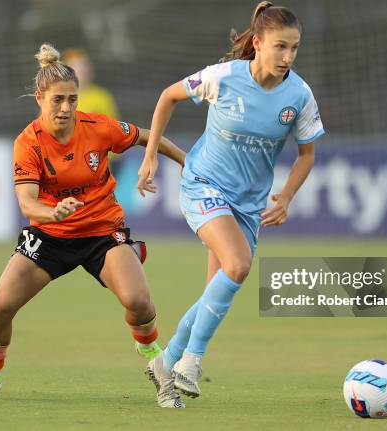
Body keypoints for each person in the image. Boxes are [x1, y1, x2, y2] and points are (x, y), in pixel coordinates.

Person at [0, 43, 187, 408]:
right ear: (39, 98)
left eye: (72, 99)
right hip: (49, 236)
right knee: (0, 309)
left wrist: (184, 162)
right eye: (57, 100)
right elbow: (26, 202)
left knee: (139, 302)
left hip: (102, 231)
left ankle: (152, 357)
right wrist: (53, 214)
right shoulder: (28, 143)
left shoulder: (98, 127)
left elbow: (148, 136)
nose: (66, 108)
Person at [138, 2, 324, 405]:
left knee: (214, 292)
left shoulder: (300, 95)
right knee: (238, 265)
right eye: (279, 47)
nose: (287, 57)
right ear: (257, 43)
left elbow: (307, 155)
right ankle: (192, 361)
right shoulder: (223, 78)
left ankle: (165, 363)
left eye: (294, 48)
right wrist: (151, 154)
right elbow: (168, 96)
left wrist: (287, 196)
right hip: (203, 184)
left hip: (248, 203)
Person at [62, 47, 119, 119]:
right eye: (77, 65)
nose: (83, 69)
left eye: (85, 65)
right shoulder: (56, 97)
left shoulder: (102, 97)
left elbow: (113, 127)